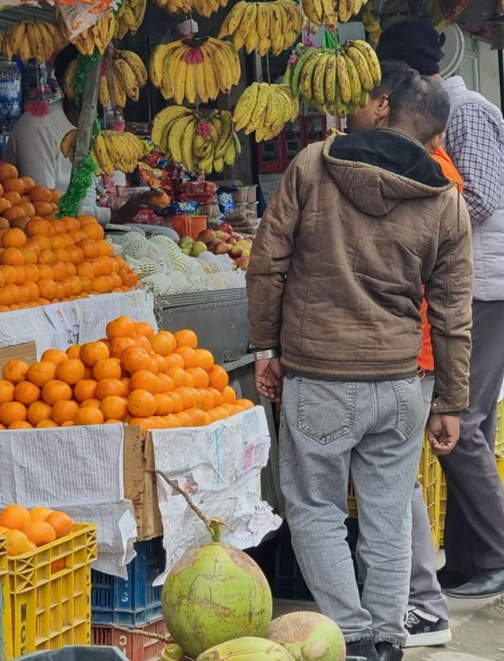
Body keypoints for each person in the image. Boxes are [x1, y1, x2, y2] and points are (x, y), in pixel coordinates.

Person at [247, 69, 473, 661]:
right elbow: (453, 312)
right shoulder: (446, 200)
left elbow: (267, 262)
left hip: (318, 373)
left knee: (315, 508)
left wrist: (266, 349)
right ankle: (388, 638)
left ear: (380, 106)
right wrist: (450, 401)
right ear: (433, 135)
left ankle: (349, 636)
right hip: (401, 383)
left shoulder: (313, 165)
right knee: (389, 513)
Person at [377, 17, 504, 600]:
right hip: (465, 281)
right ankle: (473, 557)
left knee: (465, 424)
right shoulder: (438, 112)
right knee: (465, 423)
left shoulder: (464, 108)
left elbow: (477, 196)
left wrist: (414, 222)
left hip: (482, 284)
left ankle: (496, 552)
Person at [347, 58, 457, 648]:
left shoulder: (429, 181)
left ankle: (421, 603)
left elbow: (446, 295)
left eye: (361, 101)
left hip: (405, 353)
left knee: (392, 486)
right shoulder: (427, 174)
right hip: (406, 352)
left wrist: (450, 394)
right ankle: (408, 603)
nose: (353, 112)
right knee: (391, 483)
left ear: (385, 106)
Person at [2, 46, 160, 223]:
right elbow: (44, 207)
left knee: (164, 235)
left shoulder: (92, 128)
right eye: (92, 81)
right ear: (66, 82)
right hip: (45, 234)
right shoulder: (38, 128)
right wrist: (116, 216)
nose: (100, 89)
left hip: (81, 229)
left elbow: (84, 204)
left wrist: (127, 209)